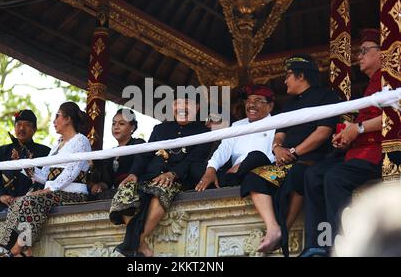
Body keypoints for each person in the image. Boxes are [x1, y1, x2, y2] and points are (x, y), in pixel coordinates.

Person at [237, 54, 340, 256]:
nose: (285, 81)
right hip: (285, 162)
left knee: (298, 174)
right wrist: (277, 148)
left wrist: (294, 152)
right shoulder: (289, 105)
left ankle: (284, 228)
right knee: (254, 177)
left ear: (300, 76)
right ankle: (274, 228)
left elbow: (323, 133)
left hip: (312, 160)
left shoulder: (326, 96)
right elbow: (280, 134)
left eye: (288, 76)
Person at [301, 29, 383, 257]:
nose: (359, 56)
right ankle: (318, 243)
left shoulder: (393, 79)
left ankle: (345, 243)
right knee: (313, 174)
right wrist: (346, 137)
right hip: (357, 153)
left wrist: (357, 129)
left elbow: (395, 117)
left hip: (379, 153)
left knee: (334, 177)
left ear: (383, 54)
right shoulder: (372, 84)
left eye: (365, 51)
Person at [109, 95, 212, 257]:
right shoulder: (160, 129)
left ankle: (132, 243)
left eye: (188, 103)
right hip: (148, 176)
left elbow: (194, 160)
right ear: (172, 106)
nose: (182, 108)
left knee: (160, 190)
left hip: (178, 179)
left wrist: (172, 174)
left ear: (197, 108)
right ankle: (140, 244)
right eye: (178, 103)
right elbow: (145, 155)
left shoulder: (204, 131)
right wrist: (134, 174)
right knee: (125, 190)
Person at [0, 102, 91, 257]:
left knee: (32, 200)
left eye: (57, 116)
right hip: (54, 193)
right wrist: (22, 162)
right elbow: (44, 175)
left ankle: (16, 250)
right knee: (19, 201)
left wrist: (48, 189)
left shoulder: (81, 141)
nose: (54, 121)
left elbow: (72, 171)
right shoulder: (57, 144)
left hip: (73, 193)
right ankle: (21, 249)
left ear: (67, 119)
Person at [195, 85, 276, 191]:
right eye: (248, 100)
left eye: (258, 100)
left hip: (264, 173)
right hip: (235, 175)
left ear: (270, 106)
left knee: (255, 157)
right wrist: (211, 170)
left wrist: (242, 164)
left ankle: (228, 181)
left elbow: (273, 156)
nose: (251, 104)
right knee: (198, 169)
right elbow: (224, 149)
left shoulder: (277, 123)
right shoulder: (237, 125)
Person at [0, 109, 51, 212]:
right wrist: (1, 196)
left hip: (30, 207)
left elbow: (45, 180)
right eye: (18, 125)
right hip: (3, 207)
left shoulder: (44, 152)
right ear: (14, 127)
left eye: (27, 125)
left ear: (34, 129)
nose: (22, 128)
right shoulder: (4, 150)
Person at [87, 109, 145, 199]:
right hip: (114, 192)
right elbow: (107, 182)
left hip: (133, 191)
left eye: (121, 124)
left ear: (132, 127)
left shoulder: (138, 144)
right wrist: (99, 186)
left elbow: (140, 167)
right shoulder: (111, 153)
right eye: (114, 123)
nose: (116, 127)